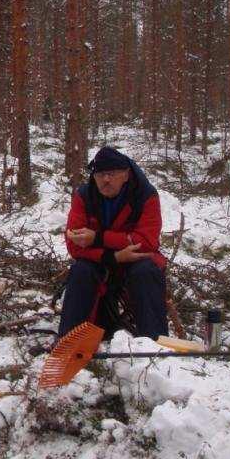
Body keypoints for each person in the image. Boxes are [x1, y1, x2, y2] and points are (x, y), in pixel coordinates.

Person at [58, 146, 168, 341]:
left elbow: (147, 242)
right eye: (100, 174)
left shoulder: (145, 195)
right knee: (81, 271)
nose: (105, 180)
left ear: (125, 175)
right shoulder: (84, 196)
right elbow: (74, 246)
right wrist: (113, 256)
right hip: (101, 261)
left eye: (112, 174)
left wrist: (98, 238)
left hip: (134, 260)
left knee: (146, 270)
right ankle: (69, 343)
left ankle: (154, 345)